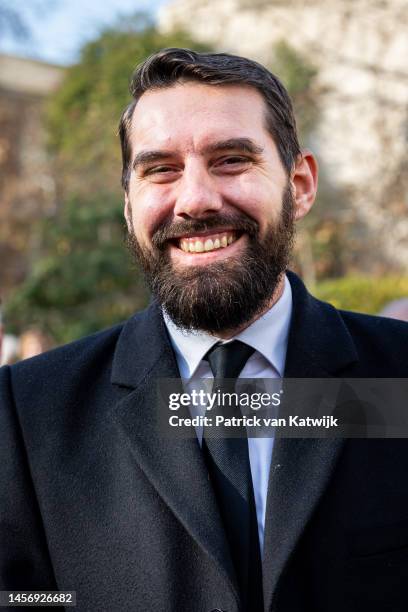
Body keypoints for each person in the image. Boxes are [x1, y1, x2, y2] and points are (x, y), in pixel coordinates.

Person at [1, 48, 408, 612]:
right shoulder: (29, 412)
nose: (194, 200)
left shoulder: (399, 378)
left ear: (301, 183)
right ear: (127, 206)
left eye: (231, 160)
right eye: (161, 169)